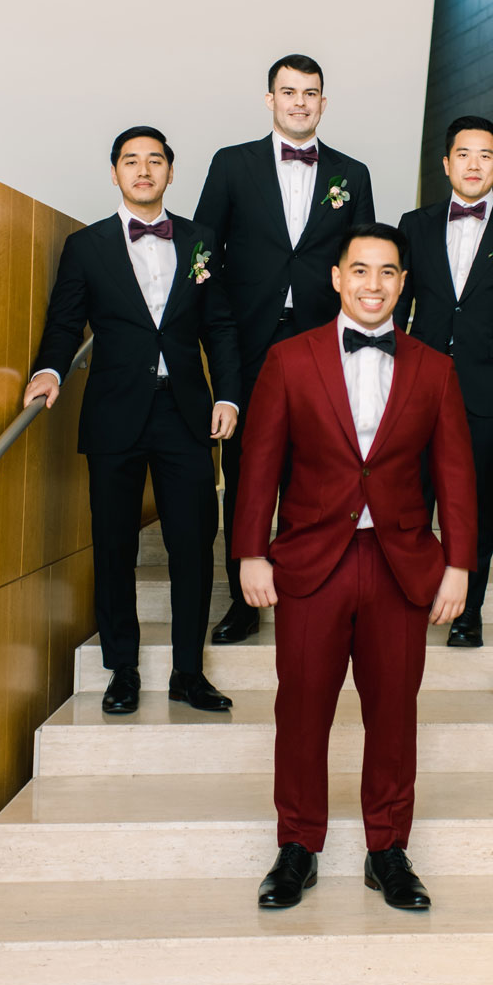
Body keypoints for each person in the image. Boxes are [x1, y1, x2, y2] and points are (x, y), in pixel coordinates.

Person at [233, 224, 477, 912]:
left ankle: (388, 849)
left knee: (394, 712)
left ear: (403, 283)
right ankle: (297, 846)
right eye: (361, 270)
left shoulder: (435, 368)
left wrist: (459, 565)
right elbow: (260, 461)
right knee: (301, 709)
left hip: (401, 564)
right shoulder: (290, 359)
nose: (374, 284)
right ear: (337, 278)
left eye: (388, 272)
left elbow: (456, 475)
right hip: (312, 561)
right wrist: (251, 551)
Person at [25, 126, 240, 716]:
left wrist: (229, 396)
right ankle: (122, 669)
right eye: (130, 161)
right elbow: (65, 322)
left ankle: (188, 672)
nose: (143, 170)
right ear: (115, 172)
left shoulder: (200, 241)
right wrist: (49, 370)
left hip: (185, 413)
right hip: (114, 412)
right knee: (114, 545)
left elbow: (220, 326)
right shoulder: (85, 246)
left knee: (192, 544)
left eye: (154, 161)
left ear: (170, 171)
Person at [195, 53, 374, 644]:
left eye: (310, 93)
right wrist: (216, 324)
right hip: (248, 341)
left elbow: (363, 261)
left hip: (325, 341)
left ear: (324, 102)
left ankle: (309, 591)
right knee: (247, 469)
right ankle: (242, 600)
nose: (300, 102)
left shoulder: (353, 173)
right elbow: (203, 251)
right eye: (289, 91)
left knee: (321, 469)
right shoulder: (231, 164)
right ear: (270, 99)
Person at [395, 115, 493, 646]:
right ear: (446, 164)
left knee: (474, 504)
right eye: (463, 154)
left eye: (485, 155)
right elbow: (398, 306)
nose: (473, 164)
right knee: (411, 500)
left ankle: (468, 613)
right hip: (417, 386)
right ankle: (412, 601)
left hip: (488, 387)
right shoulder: (413, 224)